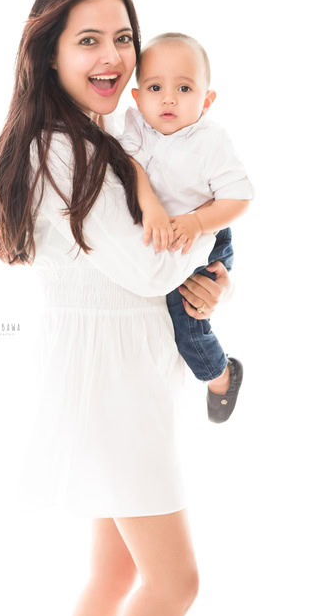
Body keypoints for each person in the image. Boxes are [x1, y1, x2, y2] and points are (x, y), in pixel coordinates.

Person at [0, 0, 233, 616]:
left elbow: (150, 262)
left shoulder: (92, 135)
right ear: (48, 50)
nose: (114, 56)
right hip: (112, 386)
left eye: (122, 37)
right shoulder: (71, 148)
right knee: (174, 581)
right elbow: (147, 267)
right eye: (88, 38)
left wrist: (200, 261)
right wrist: (215, 237)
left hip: (115, 374)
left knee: (116, 575)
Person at [115, 31, 255, 422]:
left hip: (208, 233)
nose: (169, 98)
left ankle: (221, 375)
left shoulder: (210, 140)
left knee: (187, 324)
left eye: (184, 88)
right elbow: (129, 166)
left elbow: (239, 197)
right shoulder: (136, 127)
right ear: (138, 97)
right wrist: (154, 208)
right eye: (156, 87)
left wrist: (196, 221)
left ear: (207, 101)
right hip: (167, 231)